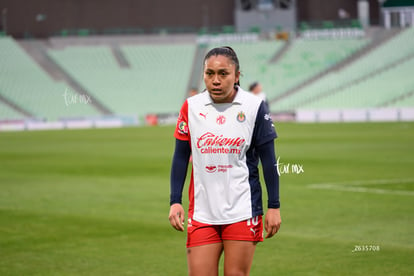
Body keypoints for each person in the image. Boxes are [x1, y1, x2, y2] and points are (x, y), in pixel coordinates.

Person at [169, 46, 281, 276]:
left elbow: (269, 161)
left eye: (223, 73)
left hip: (243, 209)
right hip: (202, 212)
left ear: (237, 75)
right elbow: (180, 155)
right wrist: (175, 200)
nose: (216, 81)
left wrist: (274, 206)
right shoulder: (191, 107)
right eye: (210, 74)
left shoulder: (254, 107)